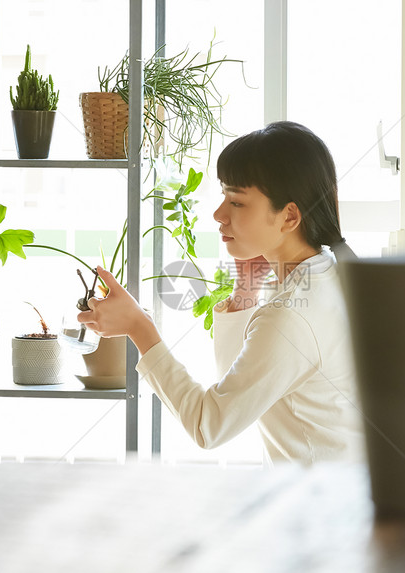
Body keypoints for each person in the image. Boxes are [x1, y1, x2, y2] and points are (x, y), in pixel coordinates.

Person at [78, 121, 364, 465]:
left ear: (289, 217)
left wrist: (140, 328)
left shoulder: (291, 315)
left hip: (319, 509)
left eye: (237, 202)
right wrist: (246, 290)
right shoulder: (327, 272)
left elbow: (208, 425)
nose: (218, 214)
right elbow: (238, 390)